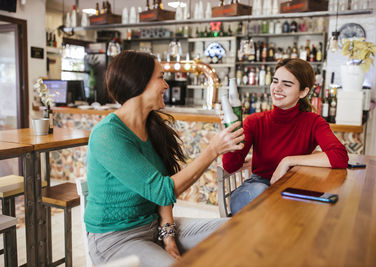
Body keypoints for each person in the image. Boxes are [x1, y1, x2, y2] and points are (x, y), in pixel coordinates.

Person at [84, 50, 244, 266]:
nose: (166, 85)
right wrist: (212, 150)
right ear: (138, 82)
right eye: (160, 77)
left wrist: (168, 237)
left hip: (154, 226)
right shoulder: (108, 135)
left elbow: (162, 196)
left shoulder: (152, 126)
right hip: (116, 239)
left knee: (238, 230)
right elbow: (163, 189)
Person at [222, 58, 348, 215]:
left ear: (303, 92)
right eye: (275, 81)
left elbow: (340, 156)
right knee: (261, 192)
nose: (277, 88)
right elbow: (230, 166)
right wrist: (232, 134)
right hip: (255, 189)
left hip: (293, 188)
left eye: (287, 84)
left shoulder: (313, 122)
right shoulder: (254, 121)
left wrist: (288, 161)